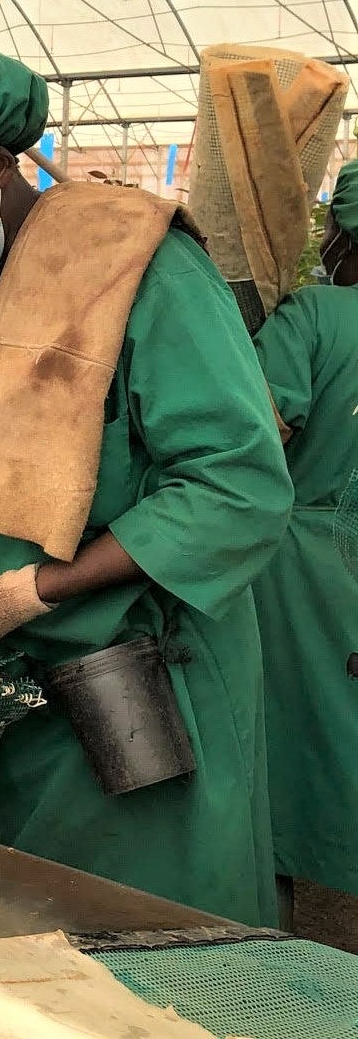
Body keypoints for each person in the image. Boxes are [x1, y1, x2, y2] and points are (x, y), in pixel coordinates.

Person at [0, 38, 292, 926]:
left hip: (131, 673)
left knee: (135, 927)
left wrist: (29, 592)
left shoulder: (134, 267)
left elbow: (232, 486)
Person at [250, 159, 358, 901]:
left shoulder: (317, 317)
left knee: (292, 744)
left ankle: (281, 921)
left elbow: (255, 434)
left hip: (309, 569)